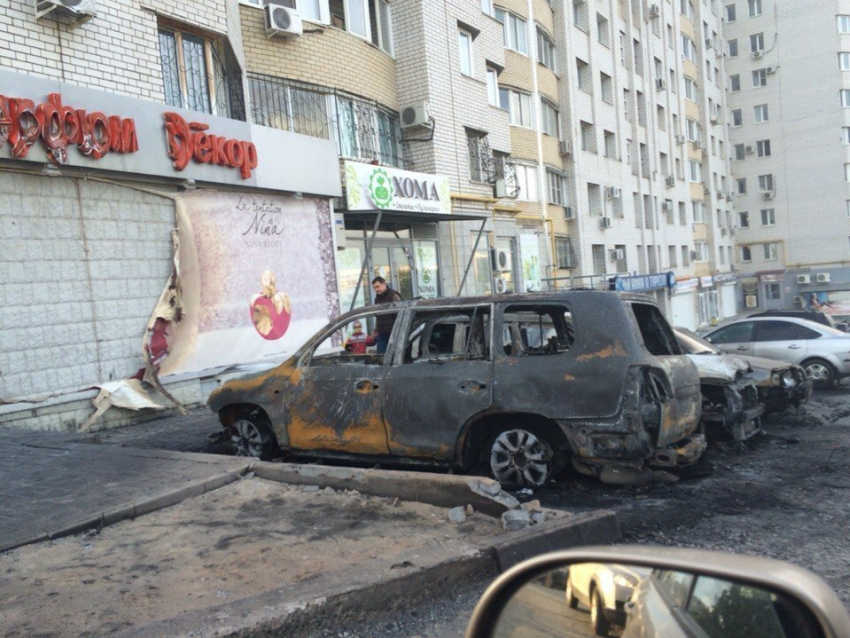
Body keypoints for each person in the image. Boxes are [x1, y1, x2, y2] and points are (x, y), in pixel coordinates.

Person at [371, 276, 401, 354]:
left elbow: (400, 313)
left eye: (378, 286)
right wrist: (376, 329)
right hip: (381, 333)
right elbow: (378, 315)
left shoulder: (393, 295)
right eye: (374, 288)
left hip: (393, 333)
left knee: (393, 356)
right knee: (380, 356)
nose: (376, 289)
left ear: (384, 284)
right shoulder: (377, 298)